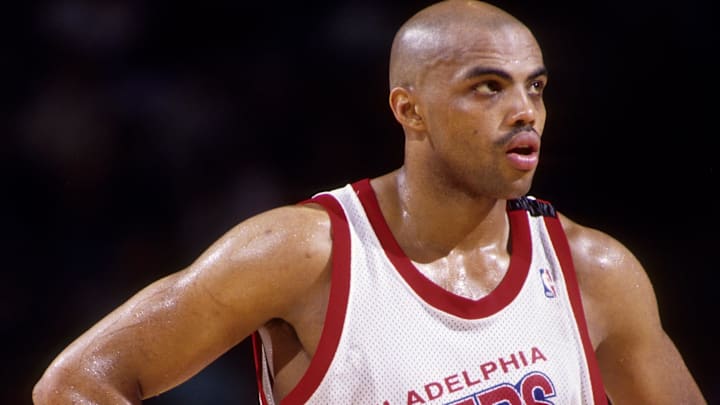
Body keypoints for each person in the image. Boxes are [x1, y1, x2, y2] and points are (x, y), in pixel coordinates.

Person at [33, 1, 706, 404]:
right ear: (410, 110)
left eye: (535, 87)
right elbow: (77, 384)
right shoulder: (302, 251)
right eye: (488, 87)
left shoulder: (594, 272)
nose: (524, 111)